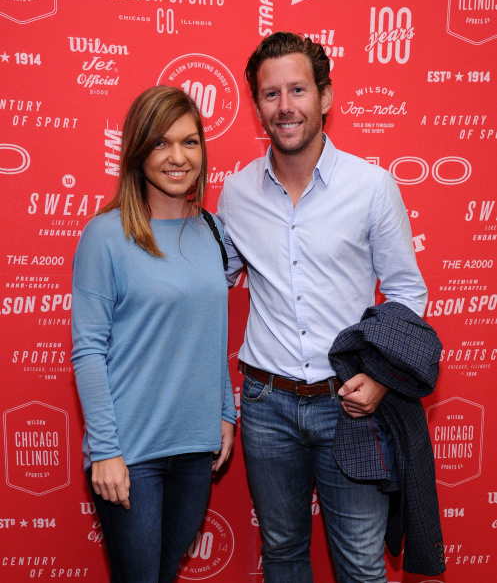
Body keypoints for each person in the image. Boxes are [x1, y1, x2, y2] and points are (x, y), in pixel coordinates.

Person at [217, 32, 442, 582]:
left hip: (350, 403)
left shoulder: (371, 187)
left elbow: (408, 292)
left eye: (298, 90)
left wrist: (380, 377)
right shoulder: (235, 194)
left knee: (363, 565)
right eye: (271, 94)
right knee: (283, 554)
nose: (285, 106)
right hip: (266, 406)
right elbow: (209, 280)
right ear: (257, 107)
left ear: (326, 96)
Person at [71, 85, 236, 583]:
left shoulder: (212, 231)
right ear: (137, 150)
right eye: (162, 143)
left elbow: (211, 331)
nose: (177, 157)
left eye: (190, 142)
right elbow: (88, 351)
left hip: (195, 447)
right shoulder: (105, 235)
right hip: (131, 453)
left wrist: (226, 413)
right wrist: (105, 451)